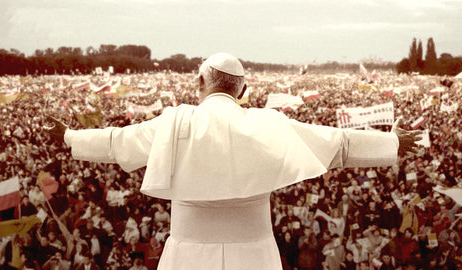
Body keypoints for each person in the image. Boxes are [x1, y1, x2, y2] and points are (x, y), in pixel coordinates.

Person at [44, 52, 423, 270]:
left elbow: (114, 143)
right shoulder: (267, 122)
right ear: (243, 90)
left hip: (186, 255)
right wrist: (389, 144)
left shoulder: (175, 120)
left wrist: (68, 137)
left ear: (199, 83)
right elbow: (337, 146)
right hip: (254, 254)